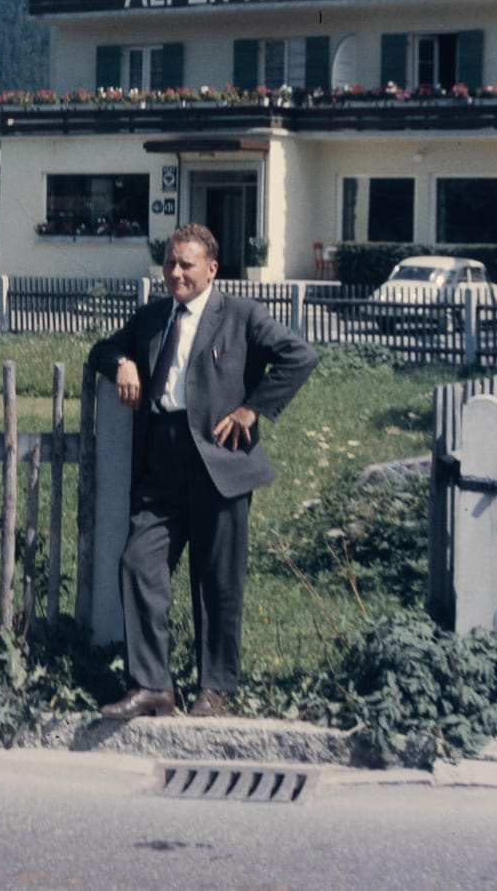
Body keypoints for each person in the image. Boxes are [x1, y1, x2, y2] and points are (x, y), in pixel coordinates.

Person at [88, 222, 317, 719]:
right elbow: (101, 350)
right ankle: (153, 685)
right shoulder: (151, 317)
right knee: (138, 562)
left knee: (217, 580)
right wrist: (122, 362)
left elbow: (300, 356)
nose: (175, 273)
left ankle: (213, 689)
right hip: (162, 461)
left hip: (220, 460)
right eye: (170, 263)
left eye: (185, 264)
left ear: (211, 269)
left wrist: (254, 409)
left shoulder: (240, 315)